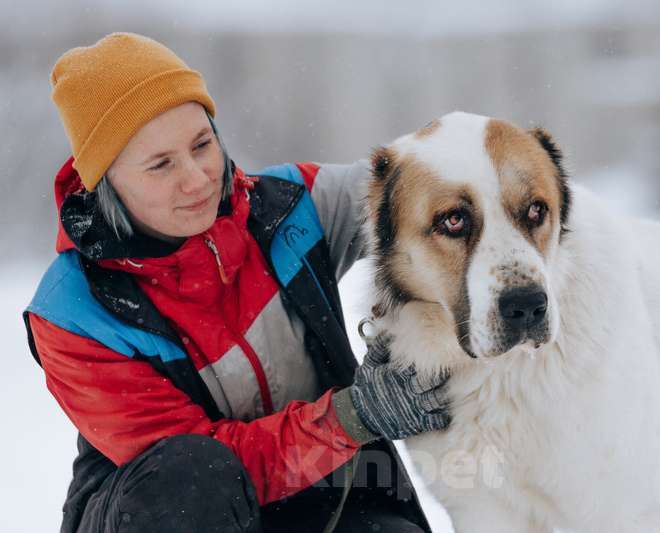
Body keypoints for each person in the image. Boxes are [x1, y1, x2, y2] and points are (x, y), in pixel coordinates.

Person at [24, 32, 450, 533]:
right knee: (192, 476)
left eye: (202, 144)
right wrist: (355, 415)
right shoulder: (76, 313)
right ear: (105, 182)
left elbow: (413, 187)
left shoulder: (289, 211)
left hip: (322, 499)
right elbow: (211, 473)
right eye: (161, 165)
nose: (199, 179)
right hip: (169, 515)